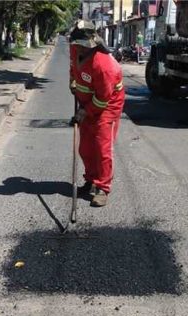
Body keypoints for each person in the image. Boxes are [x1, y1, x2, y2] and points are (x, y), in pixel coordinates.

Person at [70, 21, 125, 207]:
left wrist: (84, 112)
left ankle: (103, 187)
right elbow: (74, 67)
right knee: (85, 148)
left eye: (80, 45)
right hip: (87, 103)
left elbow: (103, 99)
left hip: (108, 106)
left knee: (102, 148)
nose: (77, 47)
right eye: (76, 44)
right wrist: (73, 83)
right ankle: (91, 180)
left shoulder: (104, 65)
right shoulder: (76, 50)